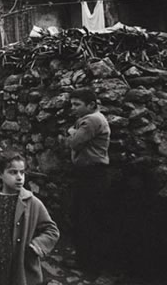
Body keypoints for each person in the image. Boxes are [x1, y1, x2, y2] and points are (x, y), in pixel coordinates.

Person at [0, 152, 59, 285]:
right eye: (13, 172)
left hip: (19, 266)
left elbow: (52, 230)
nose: (19, 178)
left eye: (22, 173)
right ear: (0, 174)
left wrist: (36, 247)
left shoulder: (33, 203)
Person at [66, 88, 111, 272]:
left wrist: (71, 131)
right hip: (91, 174)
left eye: (77, 104)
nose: (73, 108)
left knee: (86, 217)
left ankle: (87, 264)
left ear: (91, 105)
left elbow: (75, 142)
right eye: (72, 104)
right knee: (85, 216)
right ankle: (87, 260)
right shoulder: (91, 119)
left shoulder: (92, 120)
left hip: (92, 175)